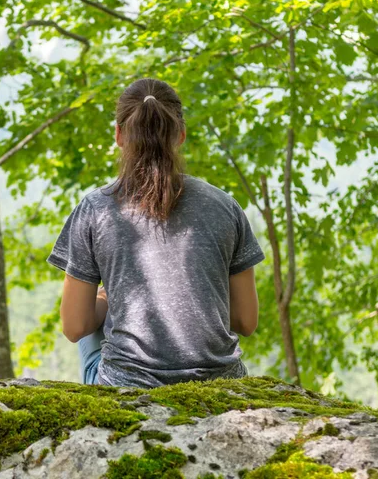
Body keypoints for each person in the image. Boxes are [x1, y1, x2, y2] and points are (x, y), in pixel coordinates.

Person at [46, 78, 265, 388]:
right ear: (181, 135)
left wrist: (107, 299)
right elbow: (245, 321)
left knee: (96, 305)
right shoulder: (225, 206)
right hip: (220, 384)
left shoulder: (96, 209)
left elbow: (74, 326)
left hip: (128, 387)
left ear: (119, 135)